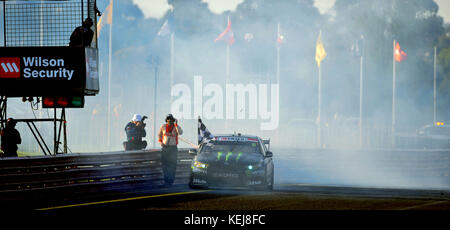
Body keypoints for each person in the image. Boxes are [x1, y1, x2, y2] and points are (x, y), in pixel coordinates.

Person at [158, 114, 183, 188]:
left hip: (173, 149)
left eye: (171, 119)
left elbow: (180, 133)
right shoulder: (163, 126)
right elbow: (159, 135)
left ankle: (170, 182)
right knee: (165, 166)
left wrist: (176, 124)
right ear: (166, 120)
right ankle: (166, 181)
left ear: (173, 120)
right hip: (165, 148)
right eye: (168, 119)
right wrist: (161, 142)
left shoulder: (176, 127)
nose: (169, 121)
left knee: (172, 166)